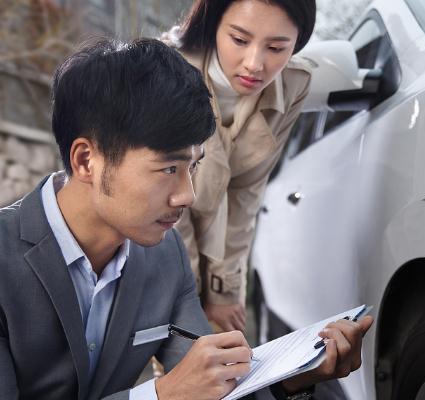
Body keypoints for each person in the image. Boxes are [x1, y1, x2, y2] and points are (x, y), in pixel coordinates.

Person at [0, 38, 373, 400]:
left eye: (193, 166)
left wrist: (298, 376)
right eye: (168, 168)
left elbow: (214, 386)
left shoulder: (165, 255)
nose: (187, 195)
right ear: (86, 161)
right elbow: (179, 393)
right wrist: (161, 395)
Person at [164, 0, 316, 333]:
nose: (254, 64)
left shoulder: (293, 84)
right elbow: (168, 201)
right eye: (239, 40)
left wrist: (224, 290)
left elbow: (247, 192)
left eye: (276, 47)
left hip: (217, 237)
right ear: (214, 23)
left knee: (226, 353)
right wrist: (188, 299)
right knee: (181, 347)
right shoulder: (168, 66)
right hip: (157, 234)